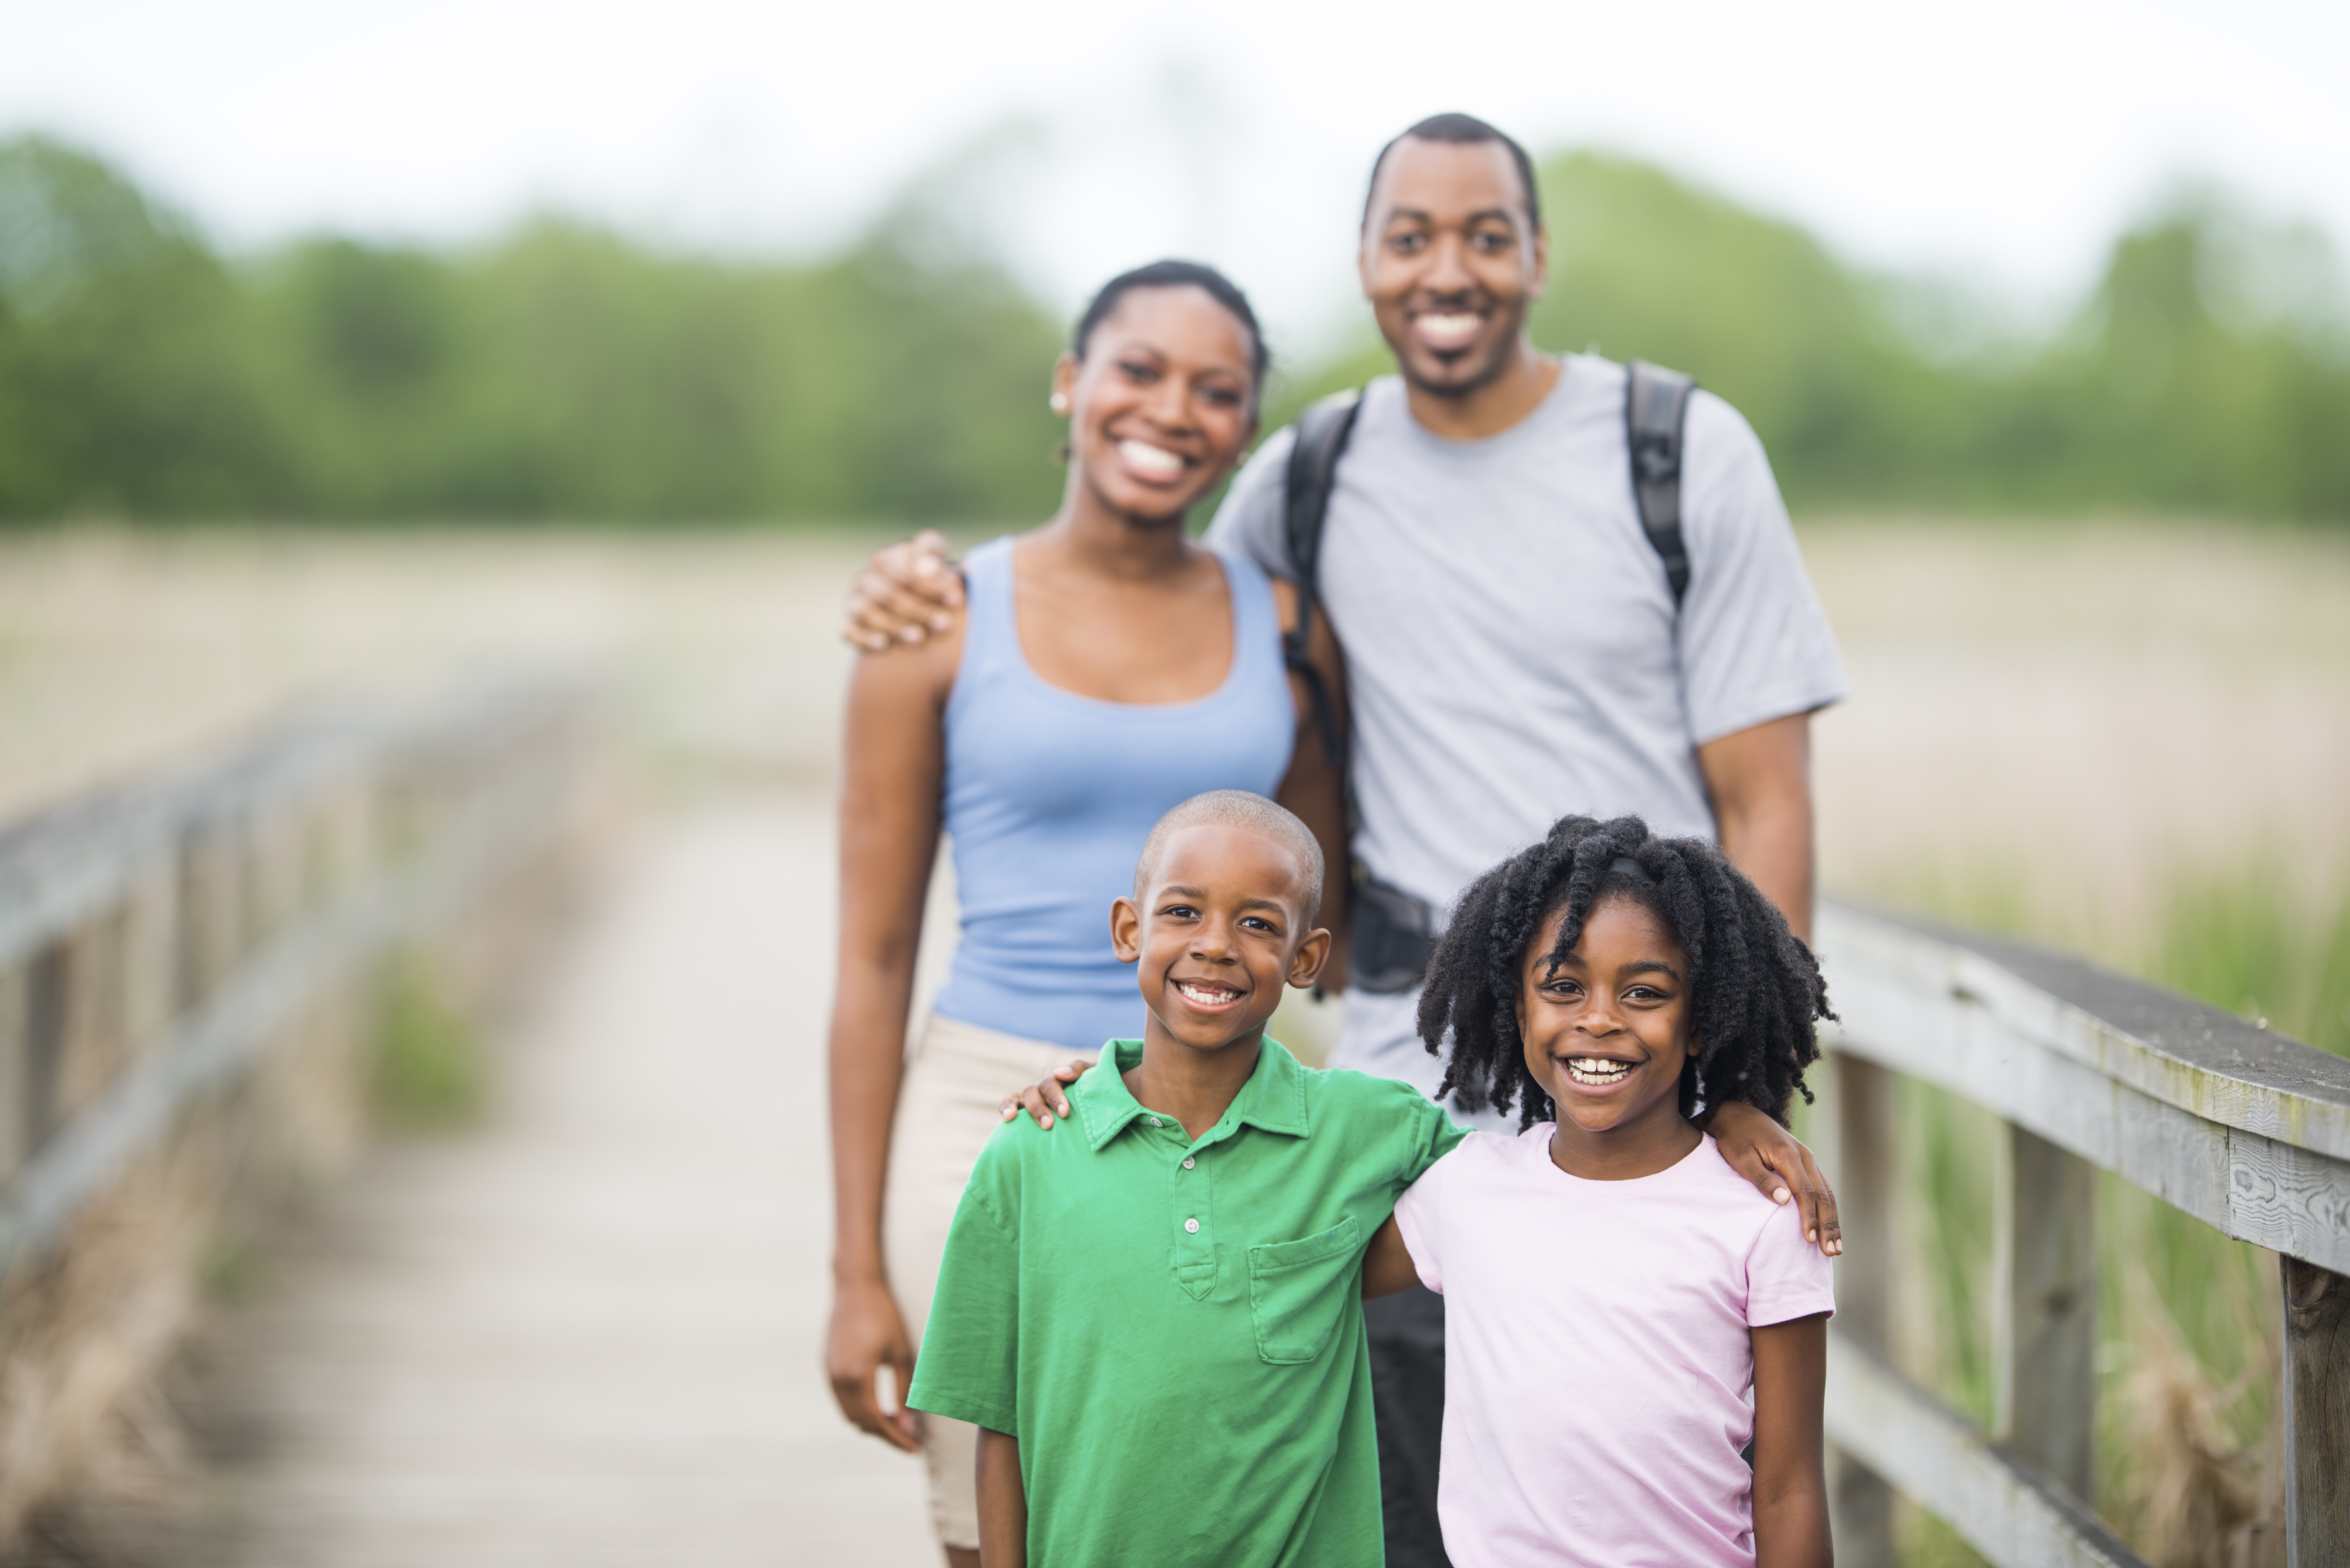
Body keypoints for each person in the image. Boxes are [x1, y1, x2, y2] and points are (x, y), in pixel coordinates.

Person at [846, 111, 1848, 1566]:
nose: (1448, 269)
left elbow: (1767, 799)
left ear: (1537, 255)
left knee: (1652, 1468)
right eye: (1409, 235)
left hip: (1640, 1079)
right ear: (1365, 264)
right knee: (1393, 1497)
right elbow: (1140, 571)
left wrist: (1742, 1082)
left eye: (1485, 234)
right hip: (1404, 1064)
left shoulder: (1676, 450)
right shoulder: (1305, 476)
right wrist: (927, 578)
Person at [825, 260, 1352, 1567]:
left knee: (1221, 1507)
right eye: (1138, 369)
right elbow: (873, 955)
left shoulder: (1287, 631)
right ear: (1069, 384)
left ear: (1243, 432)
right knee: (990, 1525)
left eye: (1216, 389)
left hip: (1228, 1118)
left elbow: (1309, 897)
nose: (1172, 408)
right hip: (990, 1114)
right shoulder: (931, 624)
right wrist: (852, 1270)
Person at [905, 791, 1464, 1568]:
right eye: (1181, 912)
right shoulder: (1030, 1152)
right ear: (1128, 929)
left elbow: (1533, 1190)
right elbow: (997, 1426)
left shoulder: (1369, 1127)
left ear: (1307, 958)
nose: (1215, 944)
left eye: (1259, 923)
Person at [1360, 814, 1834, 1566]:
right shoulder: (1465, 1189)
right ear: (1519, 1010)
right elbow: (1308, 1273)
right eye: (1562, 986)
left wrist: (1733, 1109)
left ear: (1699, 1022)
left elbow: (1789, 1488)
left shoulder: (1761, 1215)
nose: (1599, 1018)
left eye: (1643, 992)